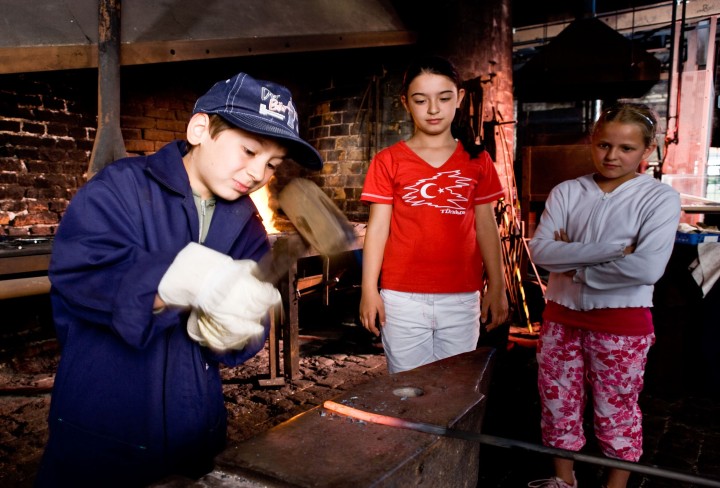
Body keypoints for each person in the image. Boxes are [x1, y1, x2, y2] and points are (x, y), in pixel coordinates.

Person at [35, 72, 323, 487]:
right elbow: (81, 272)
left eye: (272, 164)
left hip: (194, 429)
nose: (258, 172)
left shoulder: (247, 225)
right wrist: (178, 278)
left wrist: (237, 332)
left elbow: (249, 332)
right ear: (200, 128)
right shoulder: (121, 187)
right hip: (101, 422)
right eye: (248, 150)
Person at [527, 103, 681, 488]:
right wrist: (616, 250)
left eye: (626, 148)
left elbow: (647, 269)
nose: (612, 156)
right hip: (560, 318)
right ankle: (563, 480)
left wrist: (574, 263)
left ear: (647, 150)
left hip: (622, 325)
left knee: (617, 410)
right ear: (591, 143)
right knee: (557, 404)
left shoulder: (659, 199)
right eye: (604, 145)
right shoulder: (567, 192)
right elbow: (541, 253)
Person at [359, 55, 508, 374]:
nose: (433, 109)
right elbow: (378, 229)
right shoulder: (387, 161)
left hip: (462, 297)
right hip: (401, 299)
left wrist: (497, 285)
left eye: (443, 98)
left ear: (460, 98)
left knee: (454, 391)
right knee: (407, 391)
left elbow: (486, 226)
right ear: (405, 103)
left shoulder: (478, 161)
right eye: (420, 99)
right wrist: (369, 289)